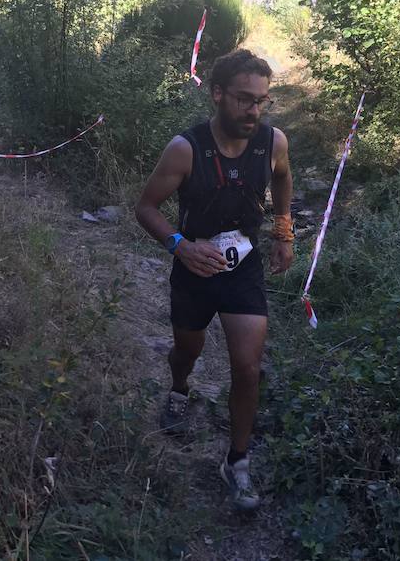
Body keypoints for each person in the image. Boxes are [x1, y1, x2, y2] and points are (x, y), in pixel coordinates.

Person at [134, 49, 294, 510]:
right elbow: (145, 208)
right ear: (218, 94)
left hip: (242, 266)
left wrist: (284, 233)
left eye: (262, 101)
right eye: (245, 99)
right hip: (194, 266)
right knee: (188, 349)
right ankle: (179, 390)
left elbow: (283, 179)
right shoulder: (186, 149)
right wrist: (180, 245)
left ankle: (237, 462)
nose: (254, 111)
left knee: (247, 367)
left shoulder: (273, 142)